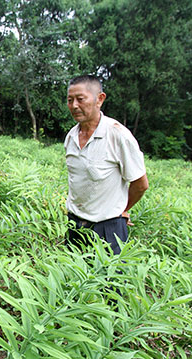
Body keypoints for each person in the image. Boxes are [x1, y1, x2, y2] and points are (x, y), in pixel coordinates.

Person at [64, 75, 149, 255]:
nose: (74, 106)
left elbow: (140, 184)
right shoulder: (71, 137)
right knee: (73, 281)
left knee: (108, 282)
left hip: (108, 230)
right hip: (75, 226)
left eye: (80, 99)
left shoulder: (118, 135)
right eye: (70, 100)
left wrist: (122, 209)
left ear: (99, 99)